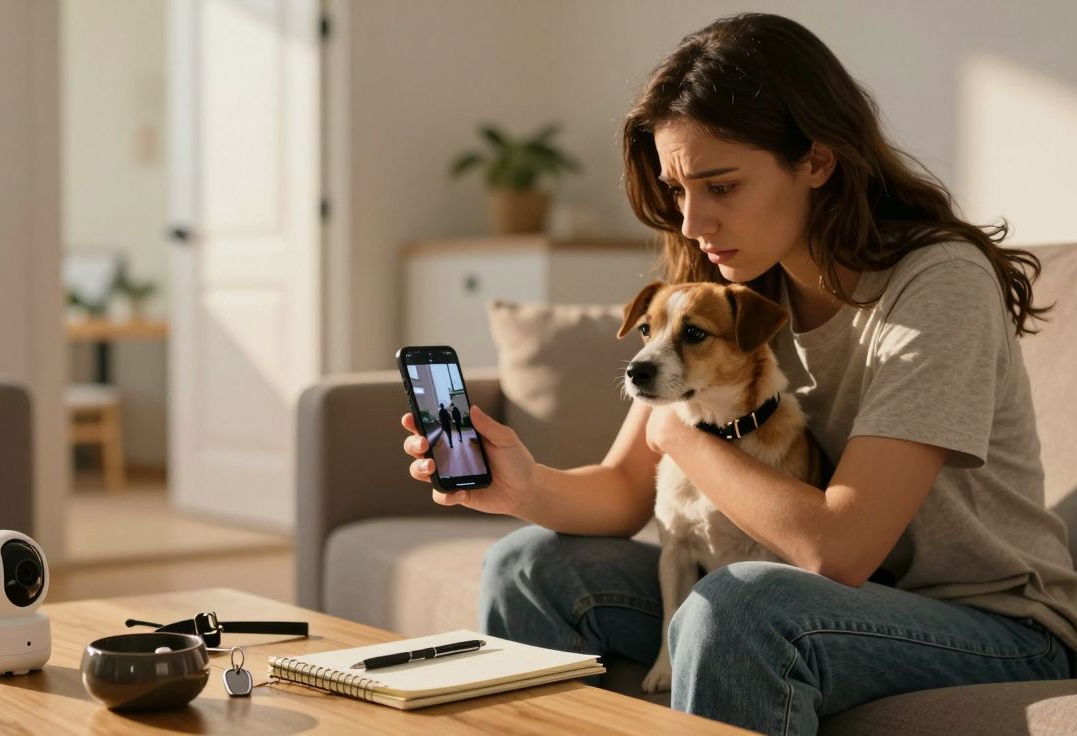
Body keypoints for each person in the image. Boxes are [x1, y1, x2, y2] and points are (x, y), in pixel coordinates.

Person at [399, 12, 1075, 736]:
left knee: (743, 604)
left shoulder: (937, 285)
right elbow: (627, 491)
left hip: (993, 627)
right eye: (679, 191)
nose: (692, 223)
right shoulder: (743, 287)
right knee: (529, 566)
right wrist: (523, 484)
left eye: (720, 187)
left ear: (817, 161)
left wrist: (677, 433)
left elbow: (838, 548)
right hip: (842, 604)